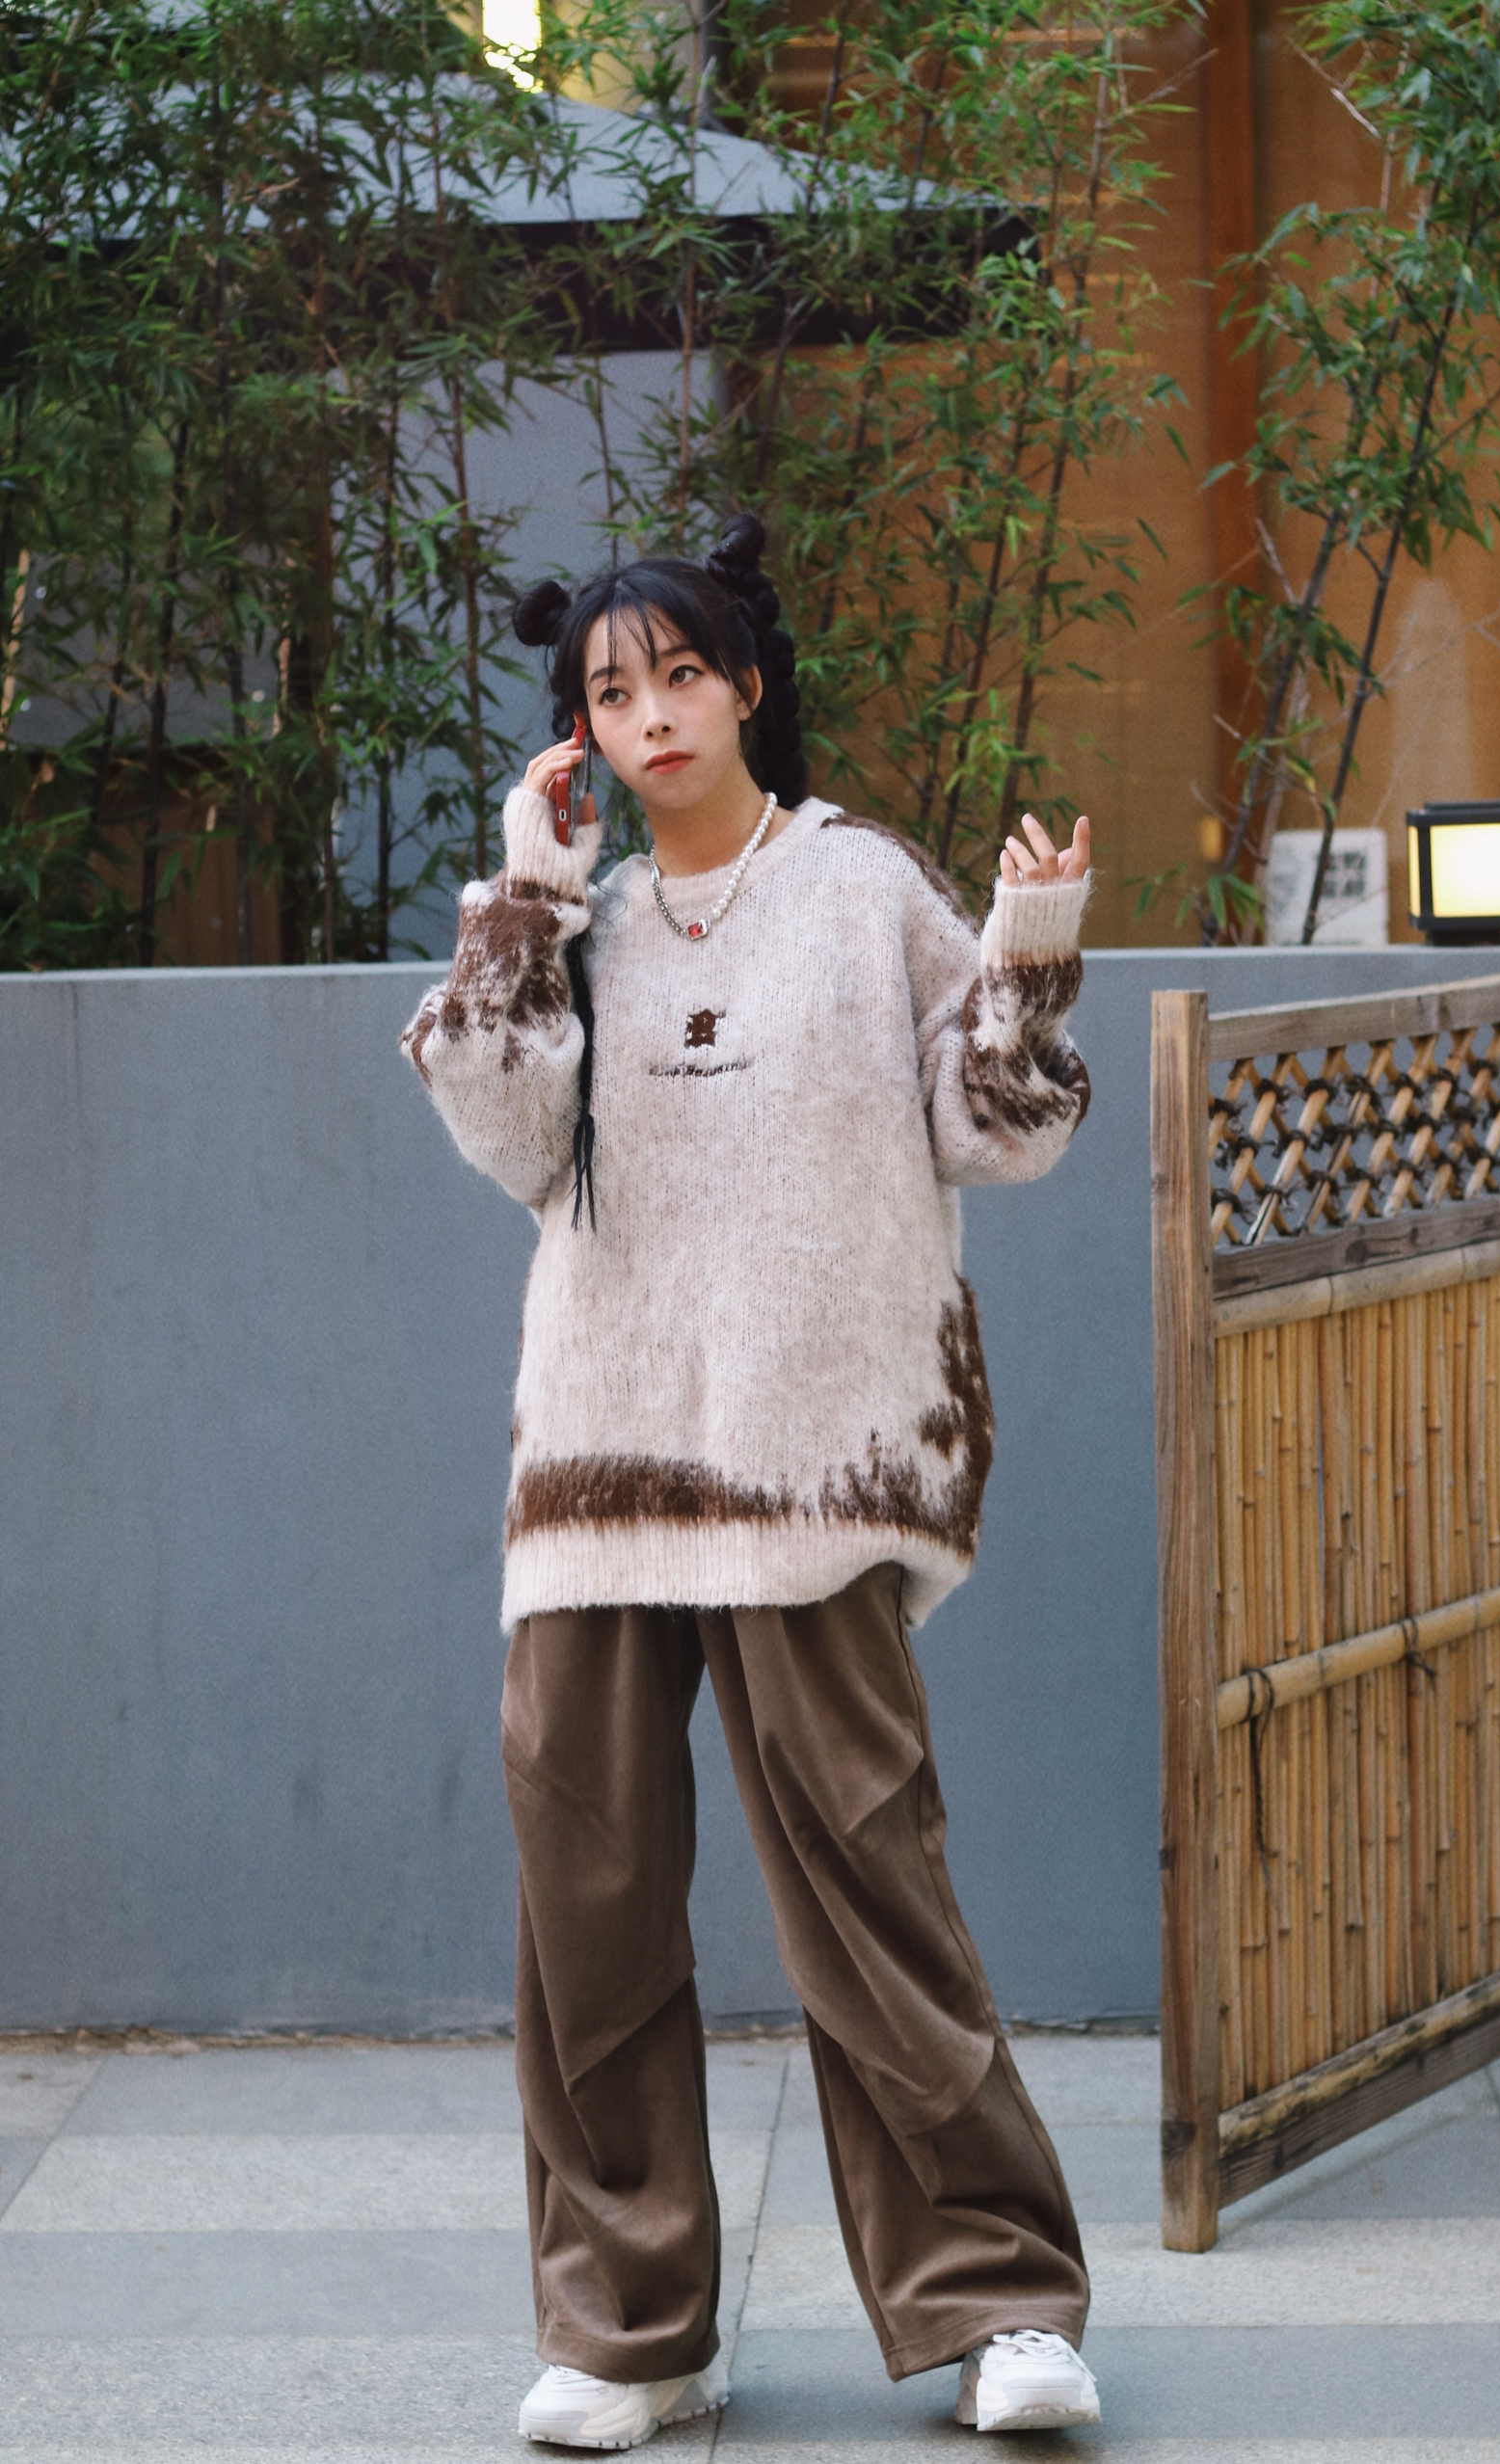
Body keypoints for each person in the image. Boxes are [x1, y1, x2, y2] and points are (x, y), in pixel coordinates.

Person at [402, 514, 1100, 2451]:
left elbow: (1002, 1126)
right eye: (610, 692)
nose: (651, 715)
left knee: (875, 1894)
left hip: (815, 1464)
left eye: (681, 674)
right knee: (591, 1912)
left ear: (747, 687)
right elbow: (501, 1129)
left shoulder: (861, 883)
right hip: (601, 1468)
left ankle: (1000, 2305)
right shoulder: (588, 922)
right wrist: (526, 890)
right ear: (584, 734)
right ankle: (635, 2333)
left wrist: (1031, 951)